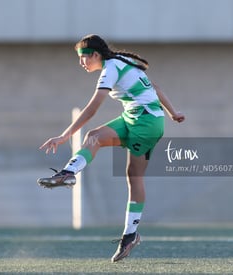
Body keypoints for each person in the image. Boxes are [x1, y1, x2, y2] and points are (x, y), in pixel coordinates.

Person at [37, 34, 185, 262]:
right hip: (132, 117)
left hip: (147, 124)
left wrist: (65, 136)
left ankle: (130, 235)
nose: (81, 63)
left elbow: (92, 108)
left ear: (96, 55)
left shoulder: (111, 68)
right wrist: (173, 112)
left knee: (134, 176)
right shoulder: (120, 61)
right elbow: (153, 86)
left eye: (84, 57)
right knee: (94, 136)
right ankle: (68, 173)